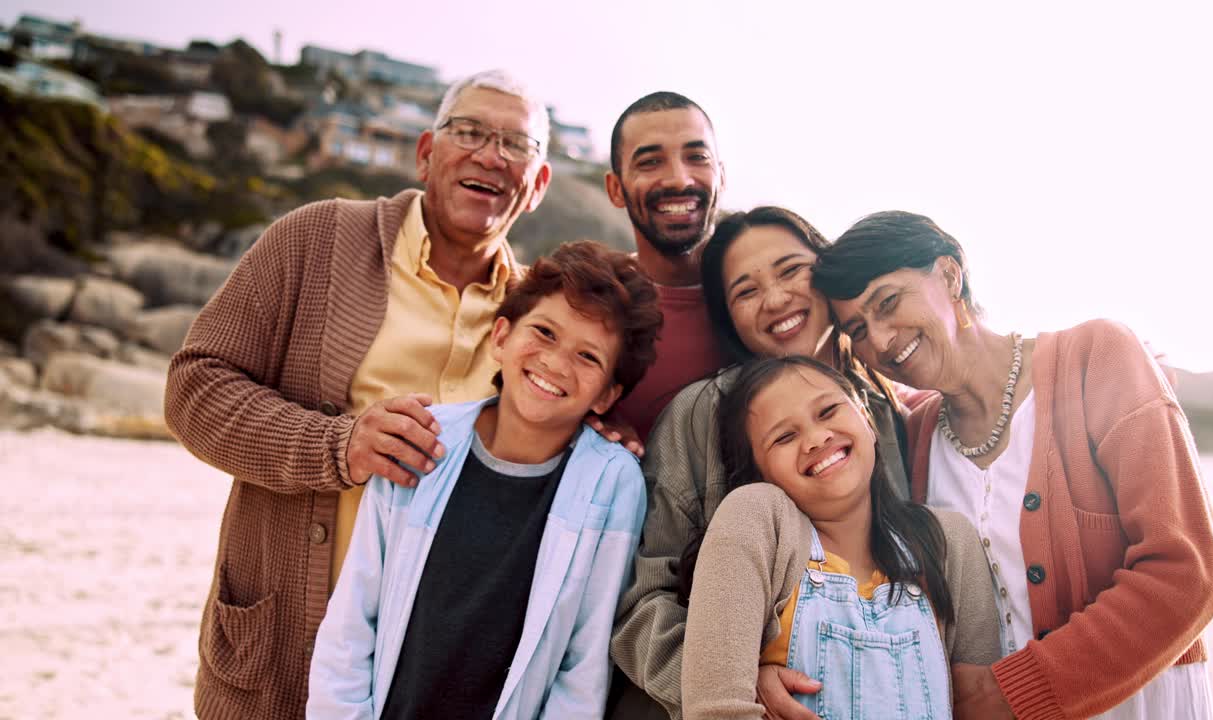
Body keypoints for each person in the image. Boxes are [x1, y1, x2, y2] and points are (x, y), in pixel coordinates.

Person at [164, 69, 553, 719]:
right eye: (469, 132)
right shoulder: (316, 239)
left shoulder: (539, 314)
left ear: (538, 186)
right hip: (282, 655)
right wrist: (340, 444)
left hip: (437, 682)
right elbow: (195, 386)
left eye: (517, 145)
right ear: (426, 152)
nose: (490, 155)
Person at [812, 210, 1213, 719]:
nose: (878, 340)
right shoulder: (912, 434)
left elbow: (1189, 574)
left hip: (1144, 704)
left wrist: (1012, 691)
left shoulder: (1095, 357)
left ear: (949, 274)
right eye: (857, 328)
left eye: (888, 302)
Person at [306, 241, 662, 719]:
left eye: (588, 357)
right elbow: (352, 623)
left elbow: (583, 666)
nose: (556, 363)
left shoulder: (612, 482)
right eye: (544, 332)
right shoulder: (423, 438)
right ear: (500, 337)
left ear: (607, 395)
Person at [610, 207, 911, 719]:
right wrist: (727, 680)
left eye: (793, 270)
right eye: (746, 291)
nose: (776, 299)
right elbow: (640, 603)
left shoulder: (886, 414)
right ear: (728, 318)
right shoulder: (700, 415)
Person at [682, 355, 1000, 719]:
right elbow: (717, 712)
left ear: (866, 416)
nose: (816, 439)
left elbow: (981, 702)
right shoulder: (758, 520)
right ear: (759, 471)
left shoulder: (948, 541)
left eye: (828, 411)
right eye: (785, 437)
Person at [603, 91, 731, 442]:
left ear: (721, 175)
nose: (679, 179)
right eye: (650, 162)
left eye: (697, 157)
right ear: (616, 189)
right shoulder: (591, 304)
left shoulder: (765, 300)